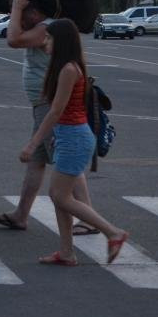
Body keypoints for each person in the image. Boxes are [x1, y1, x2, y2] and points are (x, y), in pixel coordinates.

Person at [21, 19, 128, 266]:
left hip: (75, 138)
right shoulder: (65, 67)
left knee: (60, 196)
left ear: (61, 41)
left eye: (48, 38)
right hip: (69, 137)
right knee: (60, 195)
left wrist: (32, 143)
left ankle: (113, 232)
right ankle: (67, 252)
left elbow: (55, 111)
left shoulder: (69, 69)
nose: (44, 42)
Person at [0, 0, 97, 235]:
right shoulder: (44, 28)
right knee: (37, 162)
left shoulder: (45, 28)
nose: (18, 18)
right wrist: (17, 9)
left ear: (35, 12)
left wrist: (16, 7)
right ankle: (21, 214)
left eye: (23, 14)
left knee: (65, 162)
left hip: (49, 104)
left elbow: (13, 40)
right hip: (41, 103)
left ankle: (88, 216)